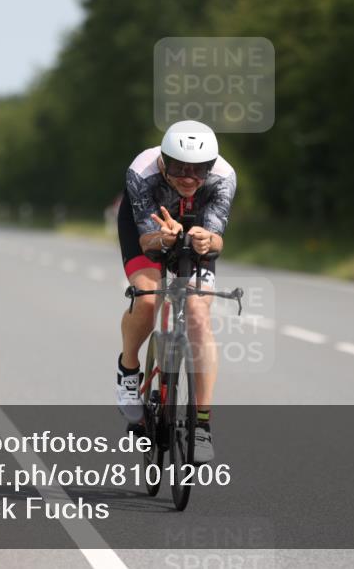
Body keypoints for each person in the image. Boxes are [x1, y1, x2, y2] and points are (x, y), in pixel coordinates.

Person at [116, 120, 236, 464]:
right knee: (148, 297)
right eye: (181, 167)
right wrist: (163, 238)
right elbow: (145, 240)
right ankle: (128, 369)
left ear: (211, 167)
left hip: (197, 231)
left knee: (199, 316)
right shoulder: (141, 172)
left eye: (199, 170)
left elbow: (217, 240)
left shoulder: (224, 177)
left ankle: (202, 425)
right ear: (164, 161)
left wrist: (205, 240)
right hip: (150, 228)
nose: (189, 177)